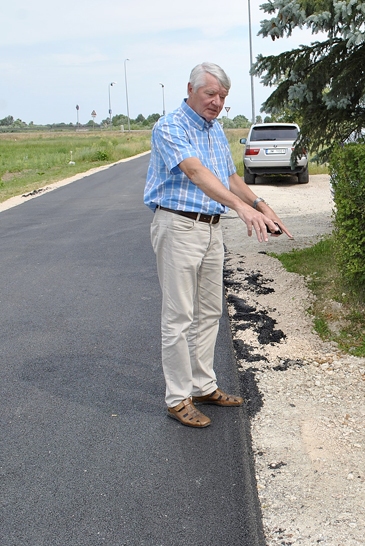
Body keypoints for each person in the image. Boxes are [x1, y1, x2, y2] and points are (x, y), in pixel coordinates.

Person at [144, 62, 292, 428]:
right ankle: (178, 398)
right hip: (178, 225)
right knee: (179, 317)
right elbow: (196, 172)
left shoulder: (215, 129)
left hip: (211, 228)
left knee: (210, 312)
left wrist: (260, 205)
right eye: (211, 94)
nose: (217, 102)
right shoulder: (171, 126)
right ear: (191, 89)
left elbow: (228, 176)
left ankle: (202, 385)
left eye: (223, 96)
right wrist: (239, 208)